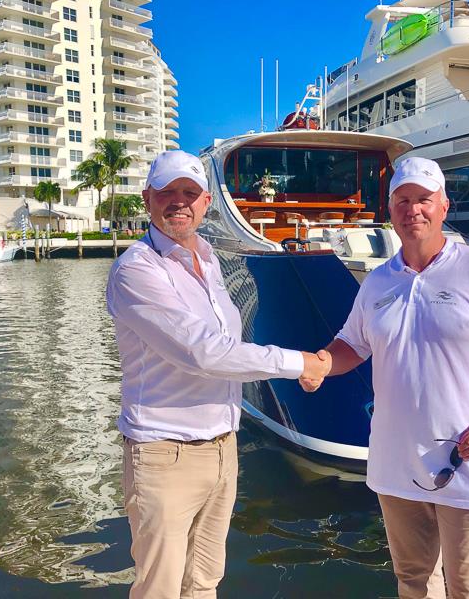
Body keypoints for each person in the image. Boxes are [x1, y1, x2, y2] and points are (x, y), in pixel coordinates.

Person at [302, 157, 469, 599]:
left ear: (444, 206)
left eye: (423, 200)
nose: (413, 209)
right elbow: (352, 345)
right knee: (413, 583)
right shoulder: (377, 281)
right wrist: (319, 363)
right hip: (395, 467)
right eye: (403, 200)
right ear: (390, 210)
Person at [106, 150, 331, 599]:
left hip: (222, 450)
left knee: (205, 582)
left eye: (189, 193)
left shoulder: (210, 262)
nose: (178, 202)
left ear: (207, 201)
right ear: (147, 198)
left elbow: (230, 343)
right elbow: (204, 352)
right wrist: (302, 363)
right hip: (163, 454)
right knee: (160, 589)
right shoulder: (136, 268)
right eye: (167, 192)